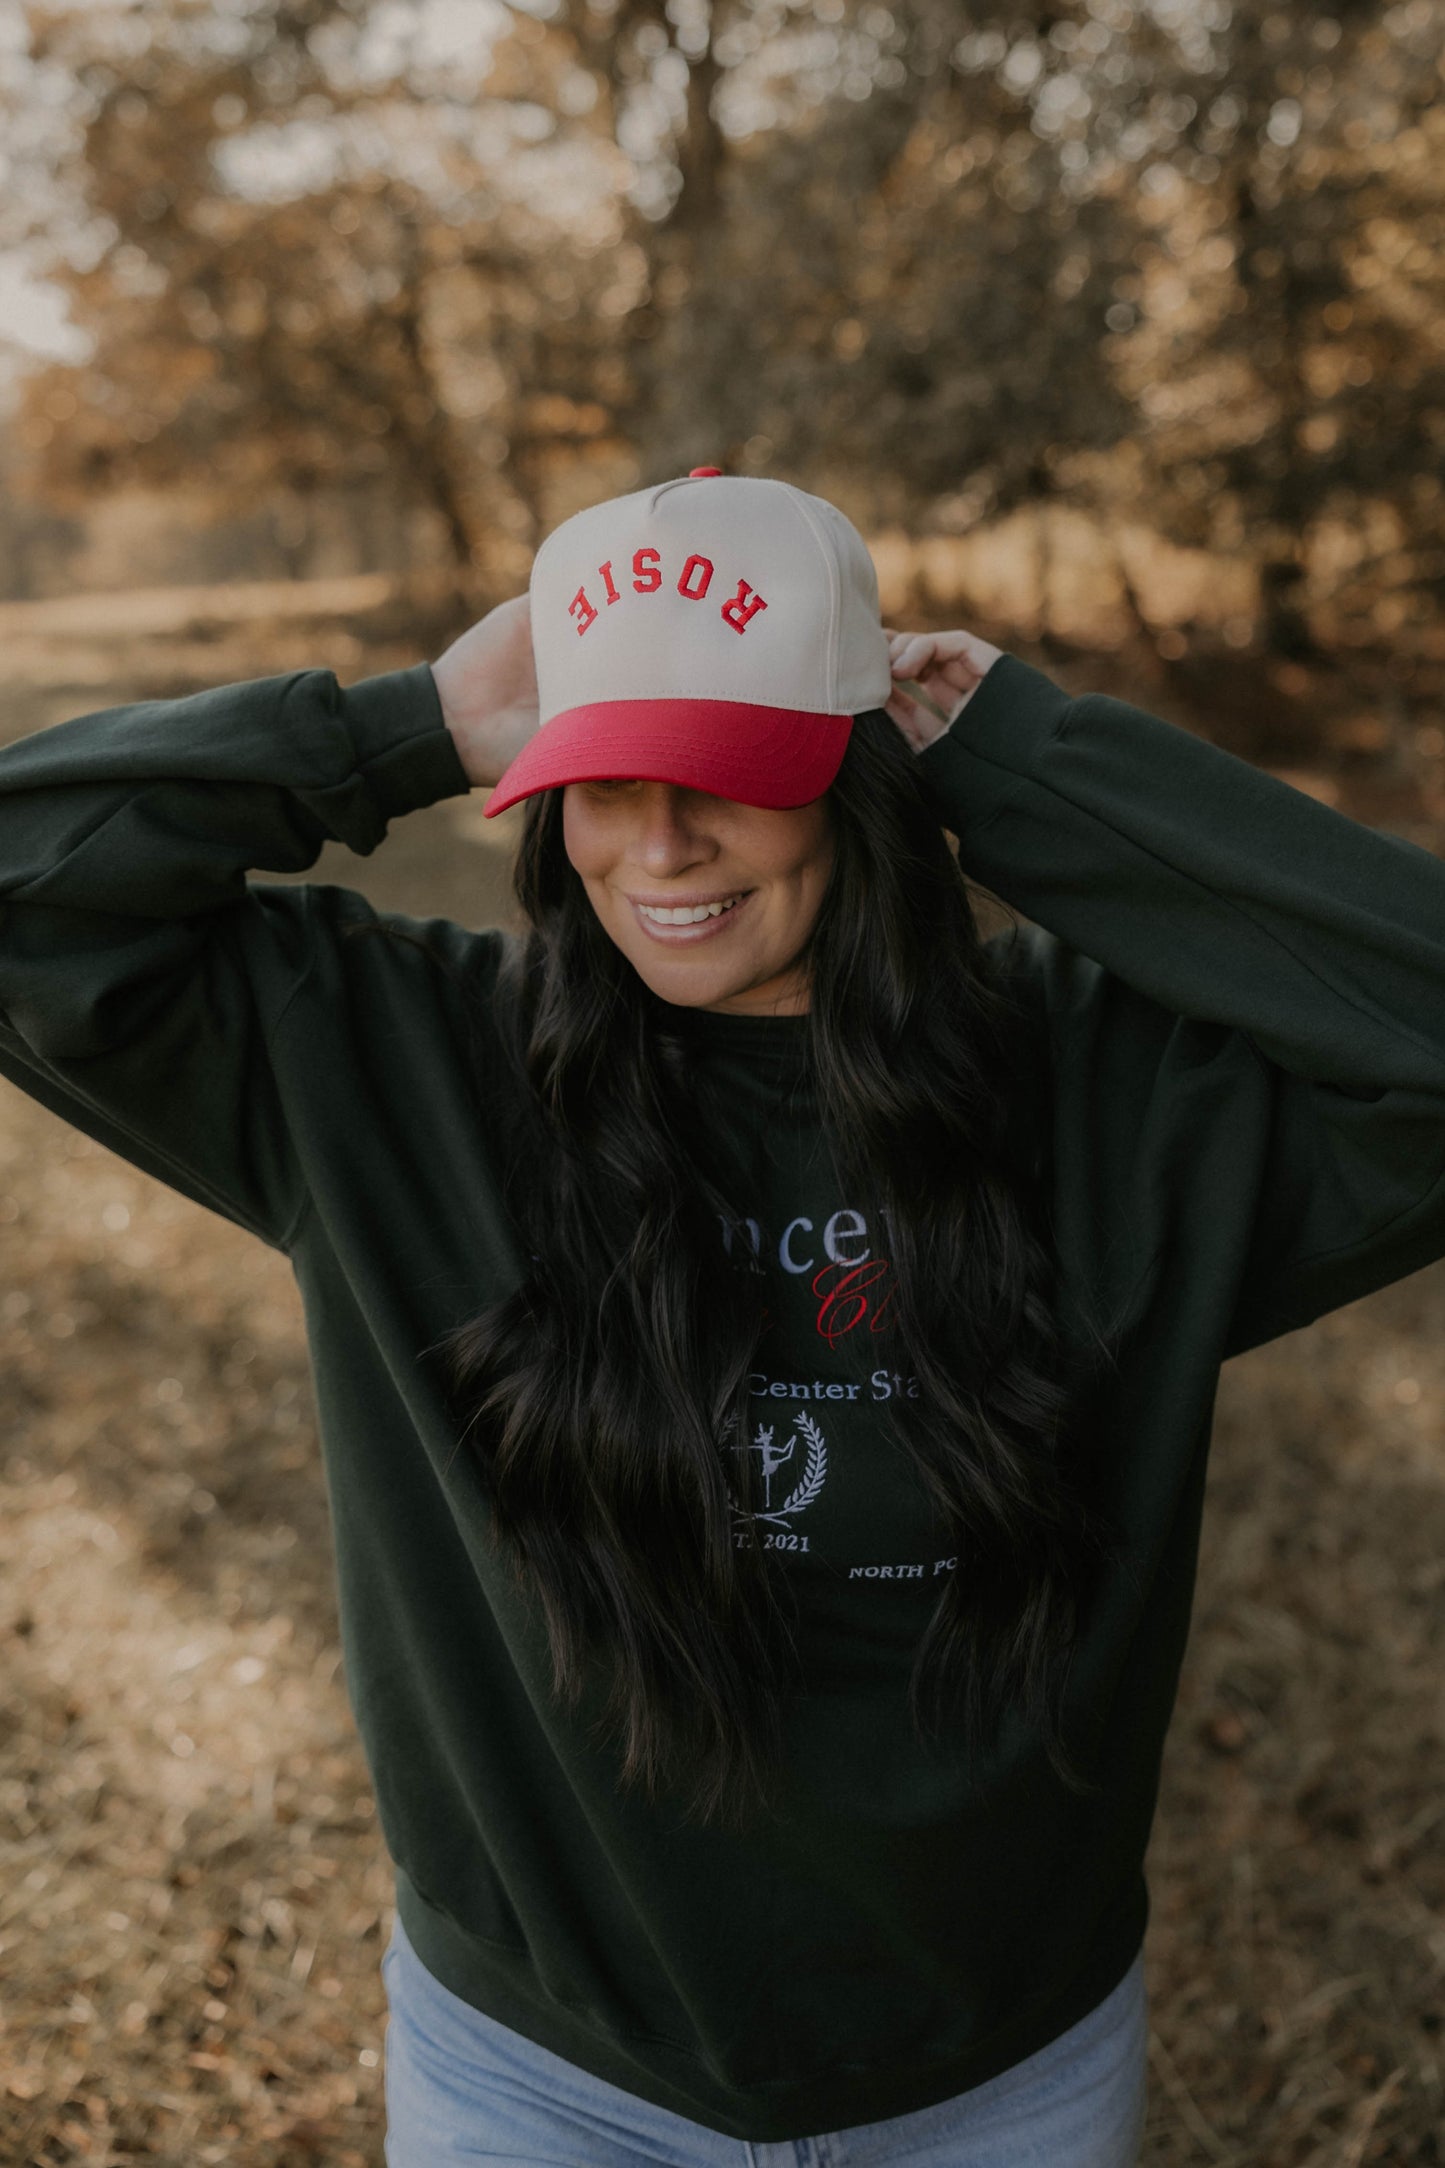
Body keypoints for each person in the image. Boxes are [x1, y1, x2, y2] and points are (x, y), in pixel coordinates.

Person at [1, 468, 1442, 2168]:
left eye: (732, 778)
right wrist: (393, 726)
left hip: (999, 2082)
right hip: (540, 2080)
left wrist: (1023, 759)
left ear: (860, 780)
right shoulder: (391, 1067)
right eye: (601, 781)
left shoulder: (1102, 1094)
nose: (660, 843)